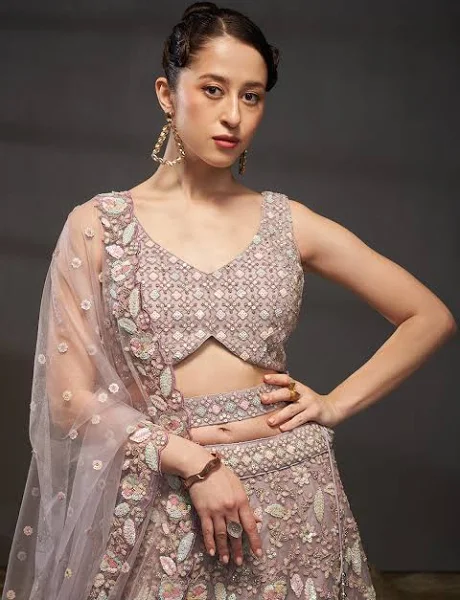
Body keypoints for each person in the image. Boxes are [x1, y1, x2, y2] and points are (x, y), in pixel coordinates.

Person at [2, 2, 456, 599]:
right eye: (213, 90)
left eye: (252, 96)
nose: (233, 115)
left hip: (294, 499)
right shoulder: (98, 225)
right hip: (166, 494)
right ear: (167, 94)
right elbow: (67, 402)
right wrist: (193, 462)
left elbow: (429, 316)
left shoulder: (288, 222)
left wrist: (335, 404)